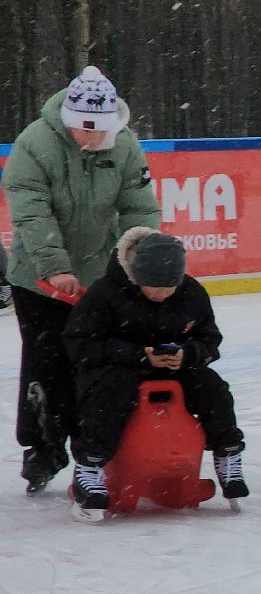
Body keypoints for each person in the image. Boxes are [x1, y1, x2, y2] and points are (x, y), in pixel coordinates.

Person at [5, 65, 163, 494]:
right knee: (46, 364)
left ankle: (96, 448)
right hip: (37, 279)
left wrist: (139, 263)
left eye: (100, 132)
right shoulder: (34, 144)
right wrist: (55, 266)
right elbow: (32, 211)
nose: (92, 140)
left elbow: (139, 208)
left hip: (100, 277)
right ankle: (43, 447)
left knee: (99, 363)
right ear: (69, 120)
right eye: (84, 131)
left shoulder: (125, 145)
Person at [61, 227, 245, 519]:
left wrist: (189, 355)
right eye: (154, 287)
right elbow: (80, 345)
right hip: (114, 370)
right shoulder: (105, 294)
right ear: (136, 277)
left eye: (169, 287)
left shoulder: (191, 293)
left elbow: (210, 339)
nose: (162, 294)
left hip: (175, 370)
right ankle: (91, 466)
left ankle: (228, 453)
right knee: (112, 391)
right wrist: (138, 356)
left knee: (211, 386)